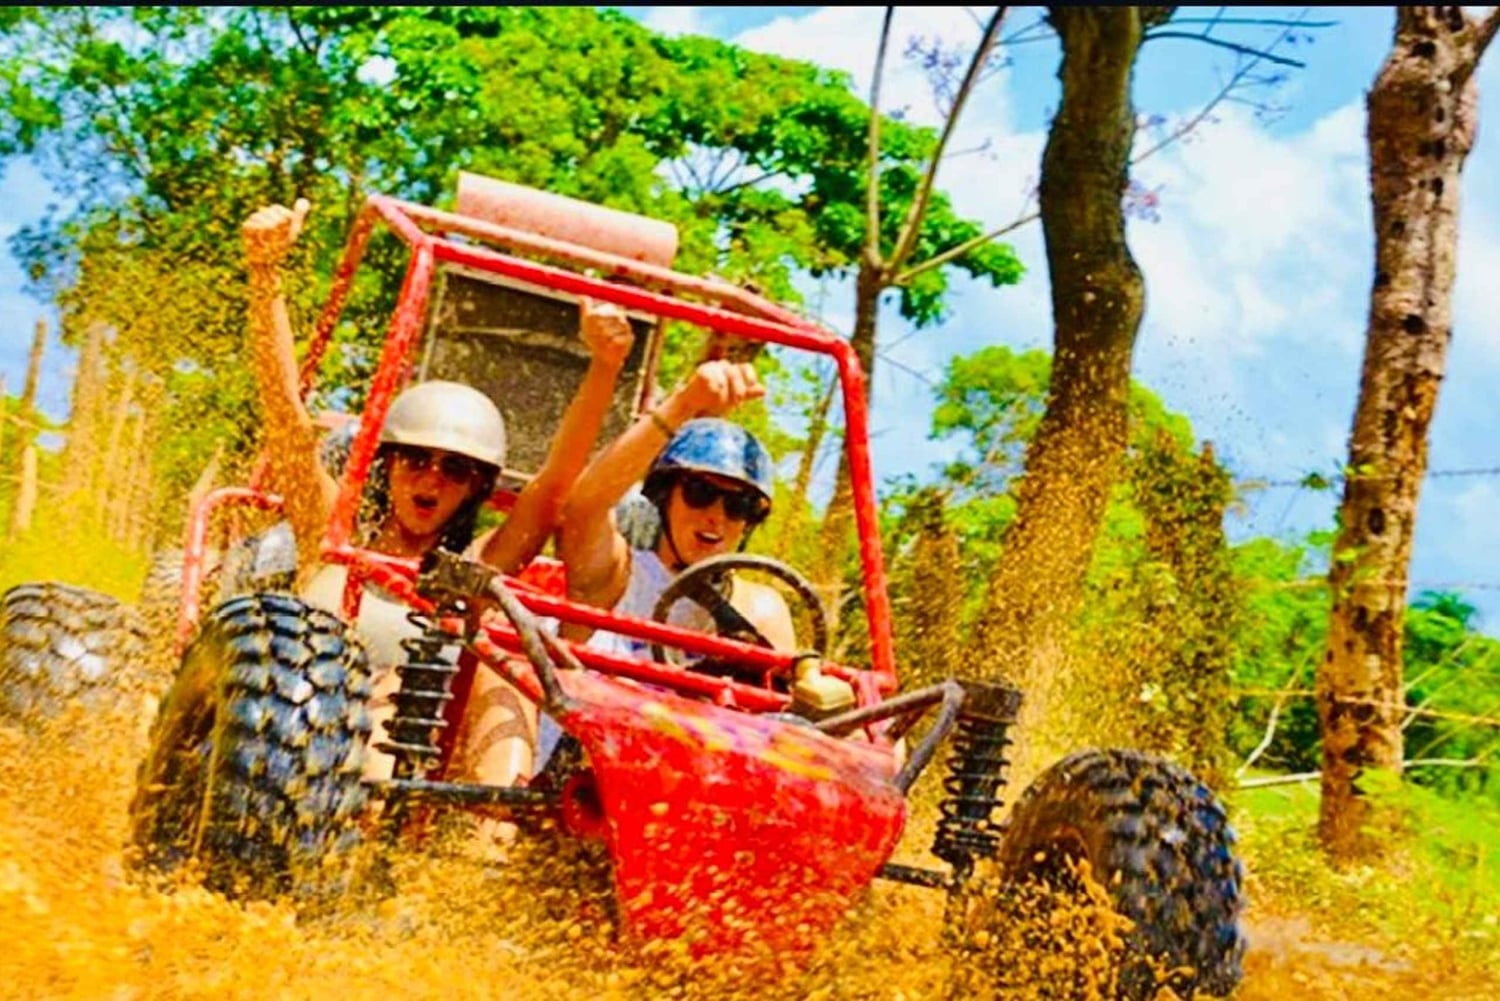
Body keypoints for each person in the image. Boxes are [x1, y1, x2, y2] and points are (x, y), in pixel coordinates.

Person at [242, 199, 634, 810]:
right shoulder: (334, 532)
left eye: (455, 468)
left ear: (477, 486)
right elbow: (286, 416)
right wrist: (265, 277)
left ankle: (481, 858)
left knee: (509, 672)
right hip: (279, 750)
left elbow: (555, 485)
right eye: (416, 459)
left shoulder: (473, 573)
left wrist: (605, 367)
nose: (432, 478)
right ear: (388, 464)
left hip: (391, 776)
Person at [556, 360, 796, 659]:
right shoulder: (615, 574)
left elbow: (781, 699)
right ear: (665, 495)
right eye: (700, 493)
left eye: (738, 505)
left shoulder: (759, 611)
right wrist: (685, 403)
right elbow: (585, 505)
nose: (716, 516)